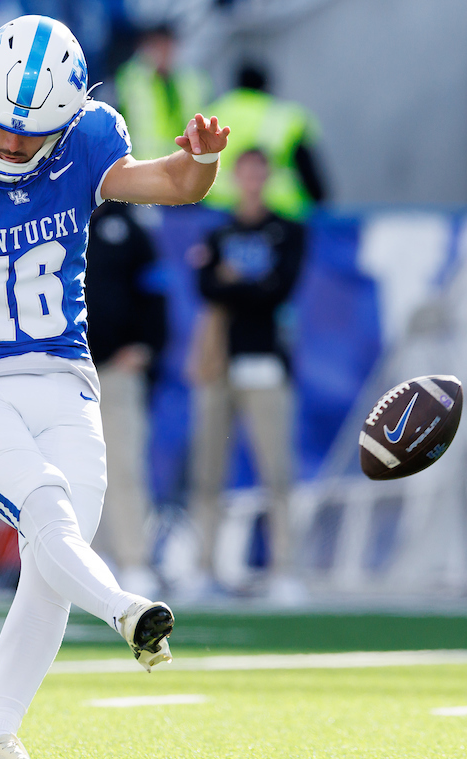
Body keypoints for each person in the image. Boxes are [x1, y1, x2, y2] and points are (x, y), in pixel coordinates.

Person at [0, 14, 229, 759]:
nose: (8, 143)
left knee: (53, 556)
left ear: (68, 120)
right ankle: (127, 611)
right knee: (47, 506)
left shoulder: (91, 139)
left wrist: (198, 161)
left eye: (29, 134)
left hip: (67, 375)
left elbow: (172, 183)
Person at [187, 148, 305, 602]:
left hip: (266, 360)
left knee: (276, 472)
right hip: (220, 362)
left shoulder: (286, 231)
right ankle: (203, 568)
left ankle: (284, 571)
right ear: (236, 176)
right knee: (208, 471)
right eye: (246, 171)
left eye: (260, 171)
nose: (253, 179)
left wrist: (233, 281)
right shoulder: (220, 230)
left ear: (268, 176)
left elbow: (280, 289)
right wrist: (237, 283)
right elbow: (204, 286)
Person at [85, 201, 166, 595]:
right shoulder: (48, 214)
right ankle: (87, 560)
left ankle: (134, 559)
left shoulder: (130, 226)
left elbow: (154, 289)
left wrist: (146, 346)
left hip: (116, 366)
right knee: (72, 470)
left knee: (123, 465)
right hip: (65, 368)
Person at [204, 64, 326, 221]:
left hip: (218, 208)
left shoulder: (212, 114)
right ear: (266, 85)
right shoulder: (286, 117)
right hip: (280, 210)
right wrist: (319, 205)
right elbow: (310, 174)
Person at [114, 23, 210, 162]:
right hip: (142, 162)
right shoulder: (132, 80)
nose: (163, 53)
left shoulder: (189, 82)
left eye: (167, 47)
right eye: (158, 47)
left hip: (180, 160)